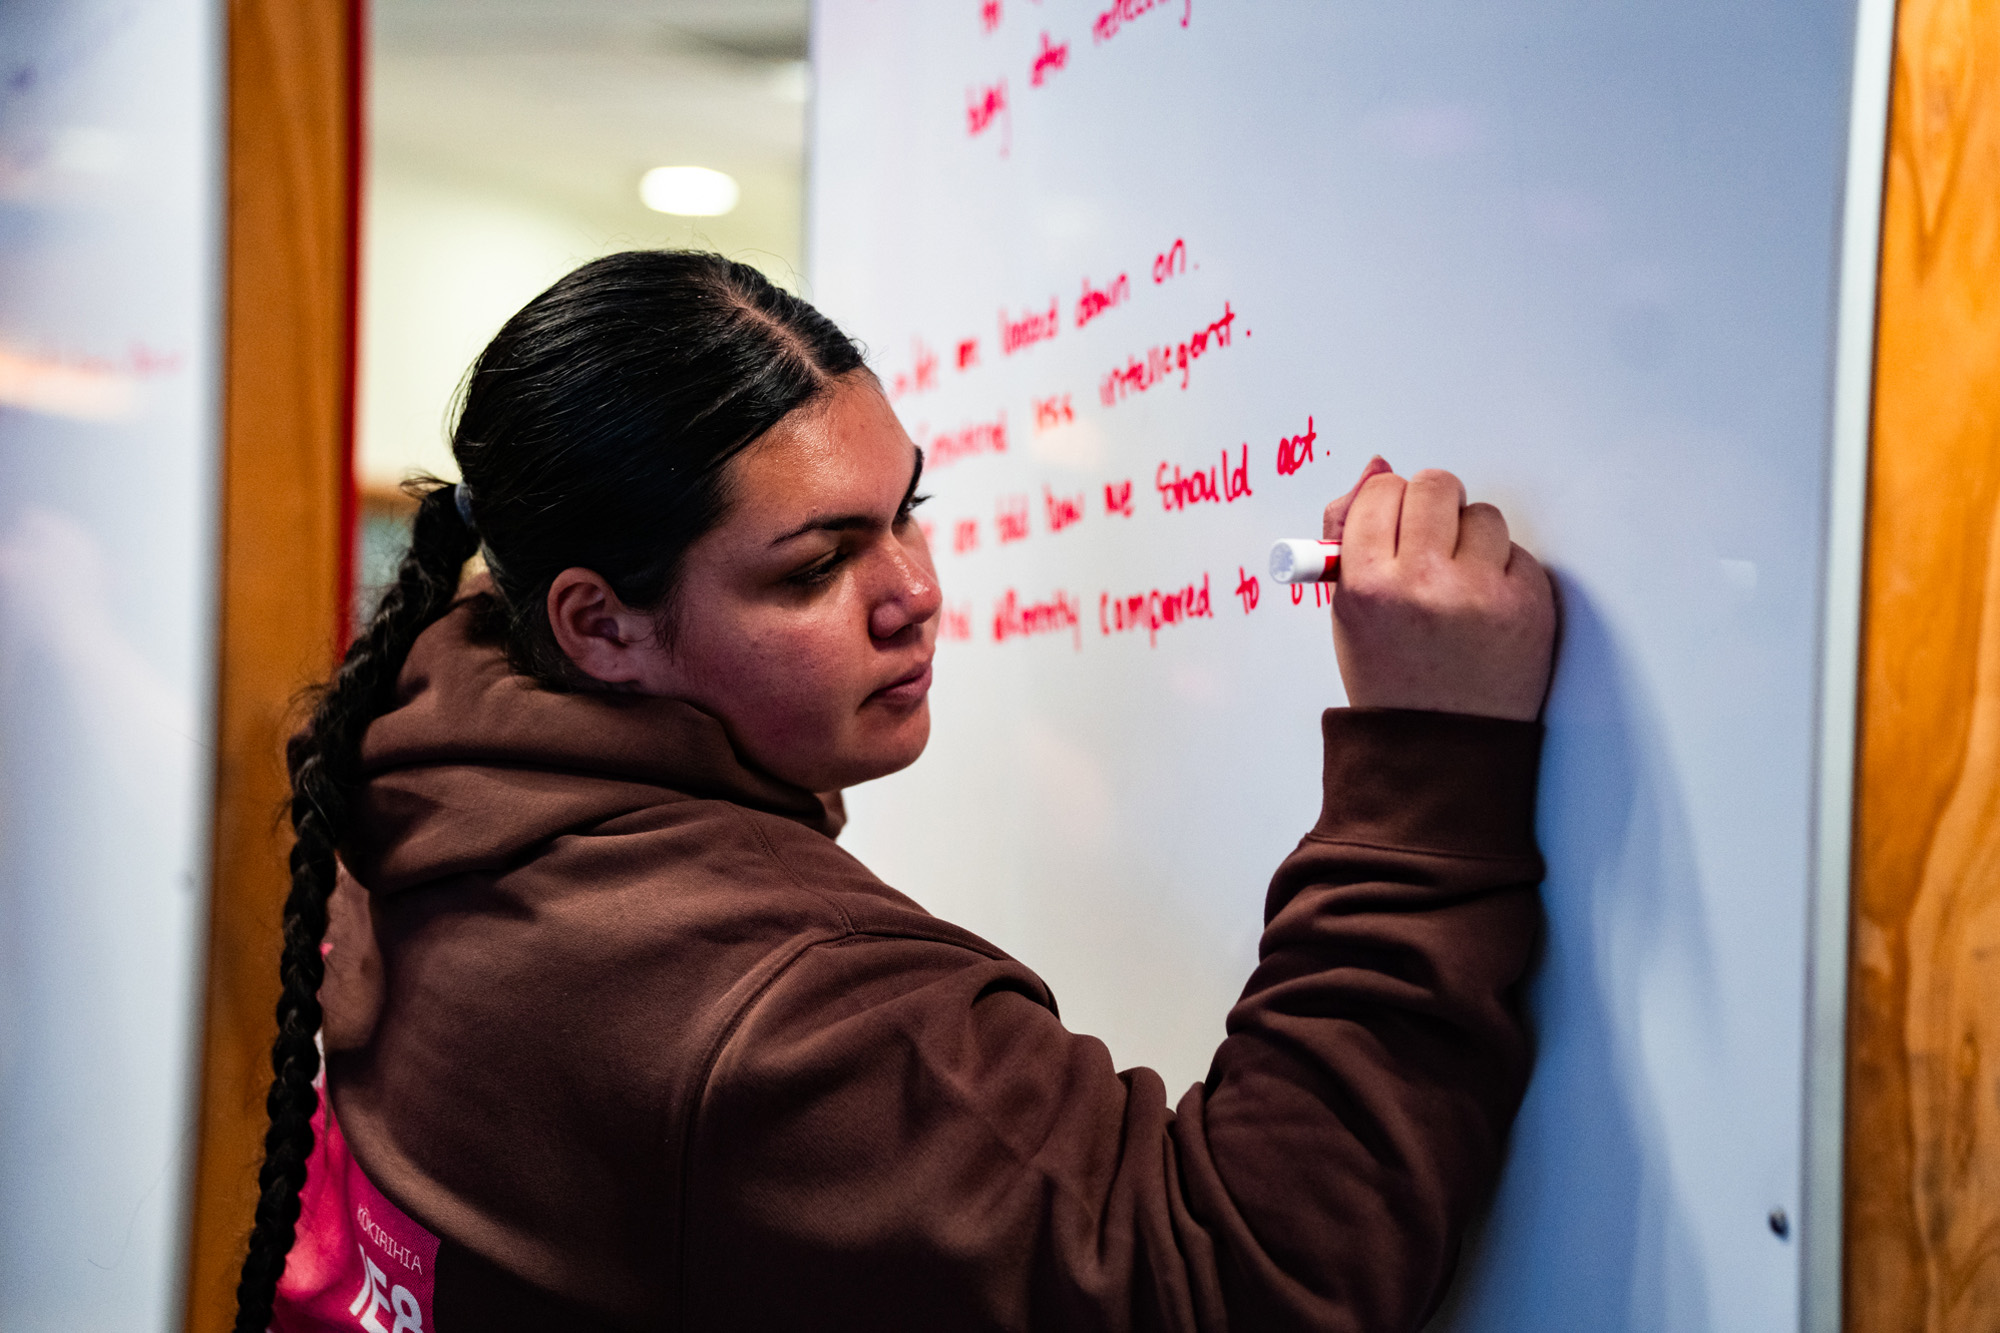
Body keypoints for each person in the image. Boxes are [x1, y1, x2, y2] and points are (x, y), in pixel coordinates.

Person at [237, 250, 1556, 1333]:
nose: (915, 589)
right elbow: (1248, 1271)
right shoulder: (766, 999)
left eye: (907, 511)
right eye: (815, 565)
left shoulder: (433, 755)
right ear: (602, 625)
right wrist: (1427, 759)